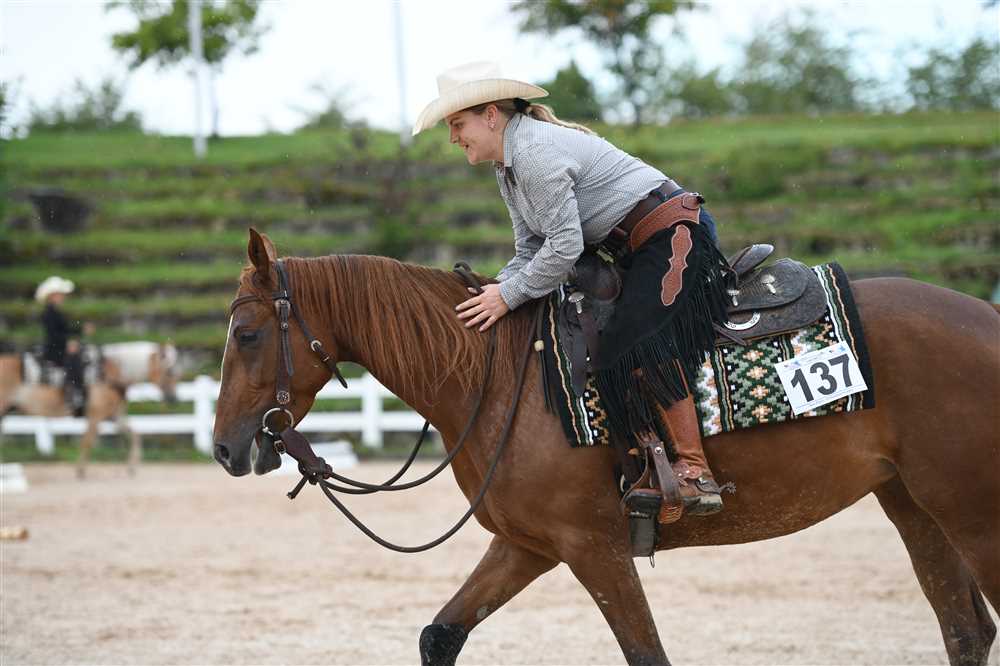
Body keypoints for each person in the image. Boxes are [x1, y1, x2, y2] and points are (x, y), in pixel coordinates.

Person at [412, 62, 731, 517]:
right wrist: (494, 289)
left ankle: (695, 470)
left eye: (457, 124)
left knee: (636, 337)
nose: (452, 138)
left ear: (490, 115)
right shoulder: (509, 166)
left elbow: (564, 246)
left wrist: (508, 295)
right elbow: (530, 248)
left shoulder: (534, 155)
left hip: (673, 235)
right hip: (635, 248)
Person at [35, 276, 88, 416]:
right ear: (53, 296)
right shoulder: (49, 313)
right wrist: (67, 343)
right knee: (74, 361)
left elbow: (64, 330)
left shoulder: (54, 312)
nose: (63, 297)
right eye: (60, 294)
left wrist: (80, 330)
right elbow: (54, 335)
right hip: (54, 349)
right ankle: (74, 393)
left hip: (58, 346)